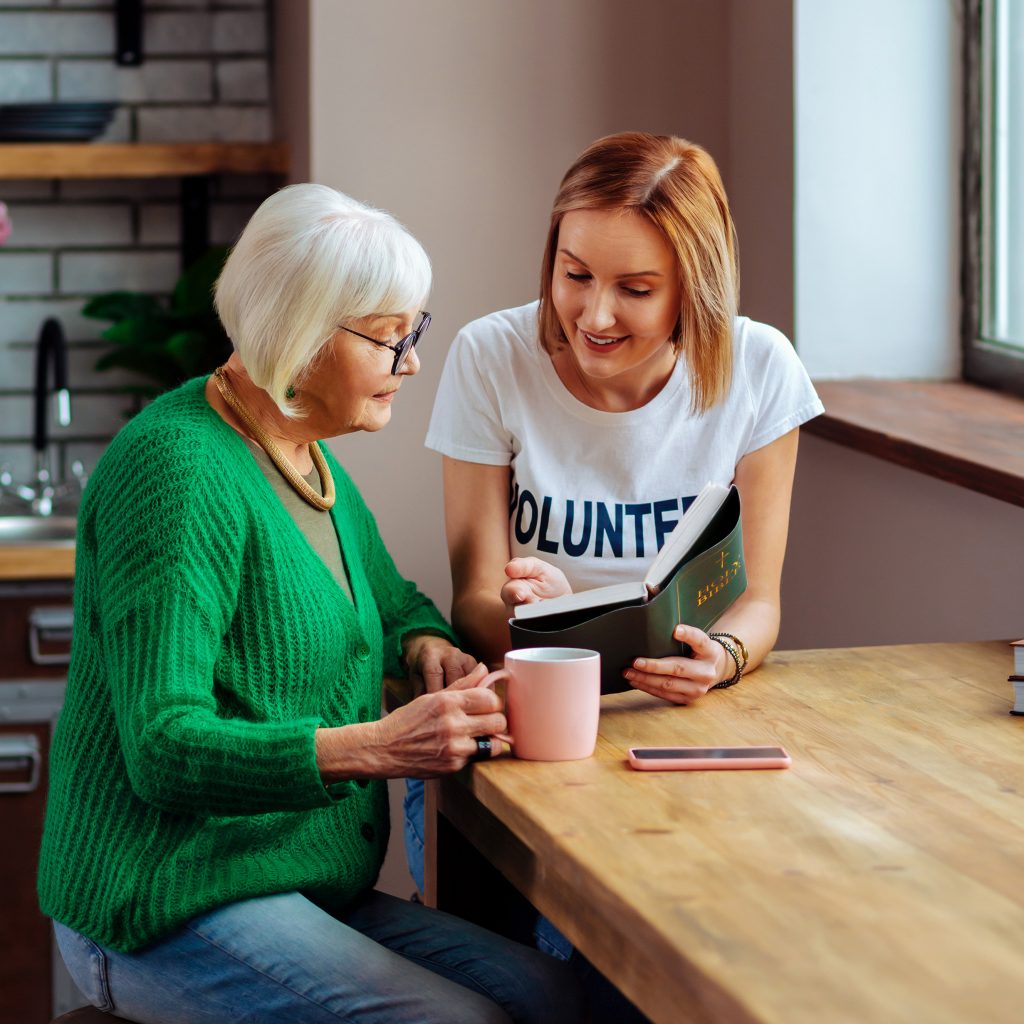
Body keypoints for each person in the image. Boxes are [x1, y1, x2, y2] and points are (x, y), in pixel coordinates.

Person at [37, 184, 583, 1024]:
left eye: (415, 333)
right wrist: (375, 747)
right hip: (163, 900)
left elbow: (393, 603)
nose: (413, 363)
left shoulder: (306, 457)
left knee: (559, 1000)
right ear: (301, 333)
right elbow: (160, 747)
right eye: (391, 339)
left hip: (292, 880)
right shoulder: (179, 473)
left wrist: (424, 646)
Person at [408, 132, 823, 967]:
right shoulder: (493, 356)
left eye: (635, 289)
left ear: (693, 290)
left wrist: (725, 658)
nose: (594, 315)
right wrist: (548, 615)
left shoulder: (759, 368)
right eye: (575, 275)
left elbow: (760, 601)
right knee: (570, 958)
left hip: (684, 734)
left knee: (738, 941)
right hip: (543, 730)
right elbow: (475, 601)